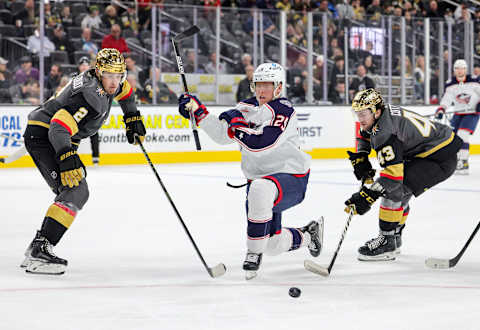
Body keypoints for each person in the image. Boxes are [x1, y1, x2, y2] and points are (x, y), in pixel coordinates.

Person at [177, 63, 323, 280]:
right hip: (261, 180)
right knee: (271, 244)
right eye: (258, 85)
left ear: (279, 87)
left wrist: (235, 126)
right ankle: (309, 235)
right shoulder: (246, 107)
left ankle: (253, 255)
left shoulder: (284, 110)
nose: (261, 90)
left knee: (261, 189)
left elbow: (261, 143)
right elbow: (222, 135)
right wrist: (198, 113)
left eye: (267, 85)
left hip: (291, 178)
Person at [20, 48, 146, 275]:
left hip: (54, 134)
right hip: (46, 136)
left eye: (119, 75)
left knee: (74, 190)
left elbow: (126, 92)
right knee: (76, 189)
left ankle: (39, 247)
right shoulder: (91, 95)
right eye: (109, 75)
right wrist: (67, 157)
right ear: (99, 72)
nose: (114, 82)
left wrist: (132, 117)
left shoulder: (106, 81)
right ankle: (39, 249)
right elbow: (59, 126)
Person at [345, 89, 462, 261]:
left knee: (394, 190)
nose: (360, 119)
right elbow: (365, 134)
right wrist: (362, 156)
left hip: (440, 157)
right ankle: (394, 237)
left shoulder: (385, 131)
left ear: (376, 112)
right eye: (357, 114)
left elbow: (392, 177)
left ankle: (387, 241)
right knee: (400, 191)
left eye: (363, 114)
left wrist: (367, 195)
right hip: (431, 150)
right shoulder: (379, 116)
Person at [435, 59, 480, 175]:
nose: (460, 71)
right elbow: (447, 98)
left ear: (466, 69)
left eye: (462, 68)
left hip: (472, 113)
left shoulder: (475, 80)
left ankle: (464, 163)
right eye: (457, 68)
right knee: (453, 138)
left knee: (463, 135)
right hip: (458, 114)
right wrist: (441, 109)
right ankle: (457, 160)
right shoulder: (450, 84)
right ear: (454, 70)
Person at [76, 56, 100, 165]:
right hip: (76, 110)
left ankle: (96, 157)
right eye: (82, 65)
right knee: (74, 133)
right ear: (79, 67)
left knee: (94, 132)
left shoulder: (94, 78)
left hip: (91, 109)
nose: (84, 67)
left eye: (86, 65)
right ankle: (70, 155)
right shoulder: (75, 78)